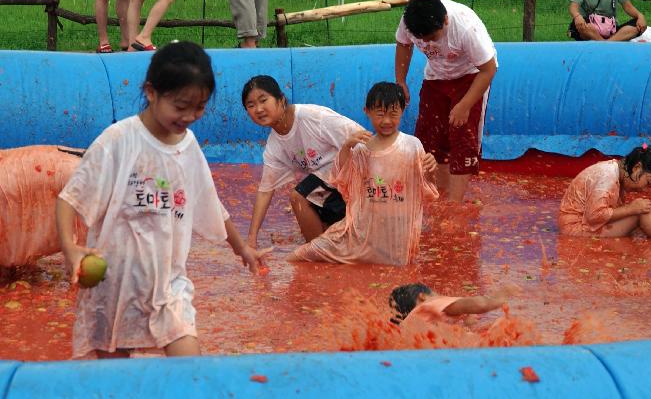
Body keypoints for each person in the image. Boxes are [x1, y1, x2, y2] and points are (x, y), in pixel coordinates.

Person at [55, 41, 268, 359]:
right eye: (181, 106)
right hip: (112, 285)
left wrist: (243, 249)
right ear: (151, 92)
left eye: (200, 106)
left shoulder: (188, 145)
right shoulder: (119, 140)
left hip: (168, 286)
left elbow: (209, 203)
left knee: (189, 368)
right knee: (114, 377)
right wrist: (71, 250)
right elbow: (69, 198)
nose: (190, 116)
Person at [290, 82, 438, 265]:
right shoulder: (361, 149)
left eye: (393, 114)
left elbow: (426, 190)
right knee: (297, 257)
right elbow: (342, 182)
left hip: (396, 239)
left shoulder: (412, 146)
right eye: (380, 114)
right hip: (361, 232)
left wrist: (431, 170)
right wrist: (346, 147)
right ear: (366, 111)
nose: (386, 121)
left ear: (402, 110)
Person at [395, 0, 497, 202]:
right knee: (431, 135)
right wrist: (401, 80)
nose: (427, 43)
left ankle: (455, 202)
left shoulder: (466, 29)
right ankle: (440, 194)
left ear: (446, 22)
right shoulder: (409, 21)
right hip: (435, 77)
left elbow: (488, 69)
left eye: (432, 37)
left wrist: (465, 105)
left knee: (462, 135)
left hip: (471, 75)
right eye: (422, 39)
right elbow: (403, 44)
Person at [241, 75, 363, 244]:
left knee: (299, 197)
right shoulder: (274, 146)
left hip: (356, 176)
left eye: (263, 100)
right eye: (251, 105)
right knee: (310, 207)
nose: (259, 109)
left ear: (281, 99)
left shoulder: (314, 118)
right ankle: (326, 244)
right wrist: (252, 238)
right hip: (332, 186)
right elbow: (265, 190)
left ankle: (318, 251)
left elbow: (362, 139)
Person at [558, 146, 651, 241]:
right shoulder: (607, 176)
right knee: (641, 214)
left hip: (585, 225)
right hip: (576, 230)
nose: (645, 190)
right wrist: (632, 209)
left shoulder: (615, 172)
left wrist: (636, 208)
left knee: (642, 210)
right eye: (648, 183)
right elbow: (594, 216)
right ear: (636, 168)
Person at [389, 283, 519, 325]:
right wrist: (501, 296)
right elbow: (480, 304)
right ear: (422, 296)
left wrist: (466, 324)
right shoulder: (430, 303)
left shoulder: (414, 321)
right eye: (435, 292)